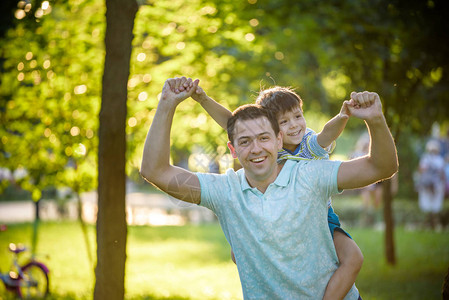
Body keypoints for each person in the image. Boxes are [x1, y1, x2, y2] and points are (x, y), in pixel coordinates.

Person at [140, 77, 398, 299]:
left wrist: (374, 119)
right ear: (233, 150)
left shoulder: (311, 174)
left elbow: (381, 167)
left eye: (264, 138)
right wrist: (167, 104)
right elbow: (156, 171)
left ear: (278, 140)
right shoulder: (225, 191)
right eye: (245, 141)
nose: (255, 148)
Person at [190, 85, 365, 299]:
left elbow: (327, 134)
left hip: (314, 217)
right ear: (274, 129)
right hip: (273, 218)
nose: (294, 125)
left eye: (298, 116)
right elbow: (232, 123)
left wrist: (343, 115)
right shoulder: (269, 145)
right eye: (284, 121)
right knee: (240, 253)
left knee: (353, 256)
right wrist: (204, 99)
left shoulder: (308, 144)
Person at [417, 139, 446, 229]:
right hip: (427, 186)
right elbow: (421, 170)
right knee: (427, 204)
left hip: (436, 186)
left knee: (435, 205)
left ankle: (433, 223)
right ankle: (428, 223)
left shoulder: (439, 160)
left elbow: (442, 174)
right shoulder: (426, 158)